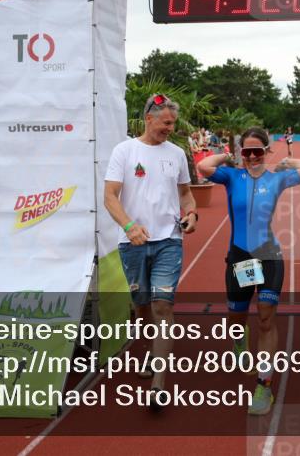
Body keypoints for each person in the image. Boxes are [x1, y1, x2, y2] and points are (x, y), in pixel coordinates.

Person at [196, 127, 300, 415]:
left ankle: (264, 385)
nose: (251, 157)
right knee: (237, 317)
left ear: (265, 152)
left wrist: (286, 162)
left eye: (256, 151)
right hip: (240, 258)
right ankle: (239, 339)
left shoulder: (276, 179)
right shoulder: (231, 176)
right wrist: (227, 155)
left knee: (265, 318)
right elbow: (202, 166)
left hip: (268, 256)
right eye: (246, 152)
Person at [103, 93, 197, 411]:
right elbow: (110, 197)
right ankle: (147, 349)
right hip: (133, 243)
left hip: (169, 240)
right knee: (141, 307)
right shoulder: (124, 151)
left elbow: (186, 195)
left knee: (162, 306)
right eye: (166, 122)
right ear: (149, 118)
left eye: (173, 123)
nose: (170, 128)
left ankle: (159, 384)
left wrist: (192, 215)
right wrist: (129, 226)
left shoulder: (177, 154)